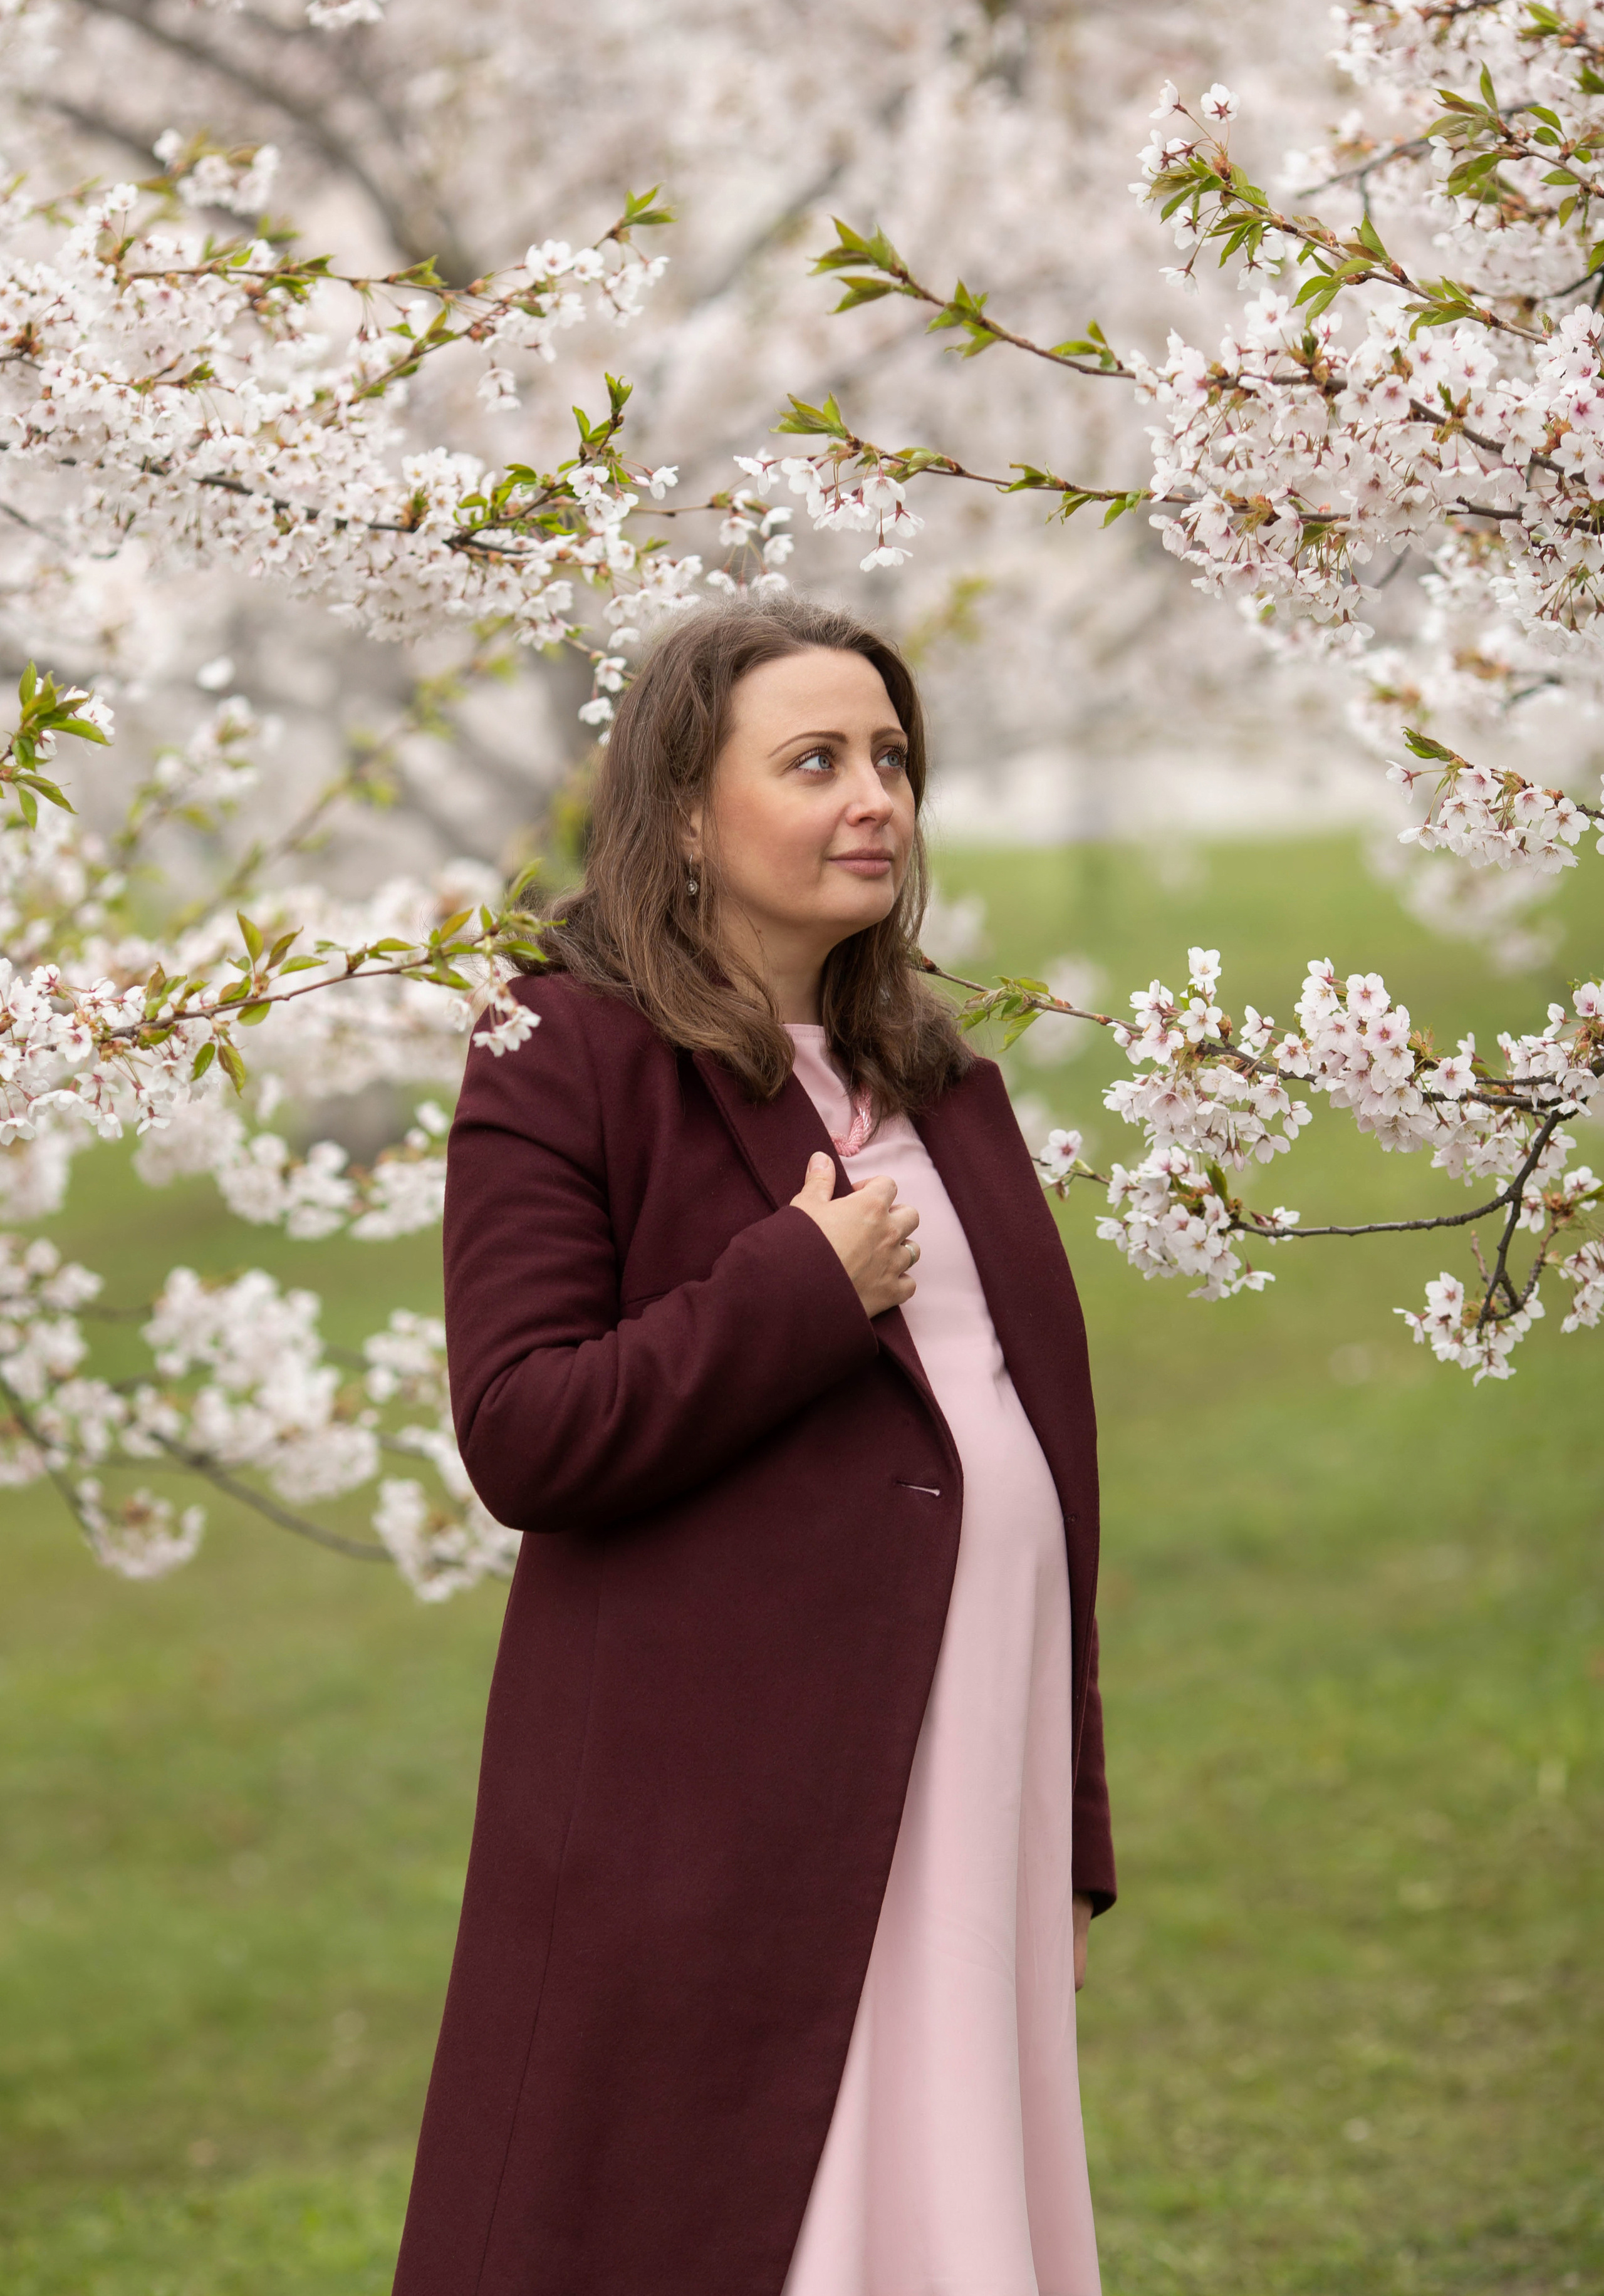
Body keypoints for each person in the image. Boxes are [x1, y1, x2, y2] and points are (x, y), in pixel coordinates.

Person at [392, 594, 1115, 2296]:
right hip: (722, 1793)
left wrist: (1070, 1820)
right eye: (816, 762)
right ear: (690, 816)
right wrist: (798, 1283)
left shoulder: (937, 1078)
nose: (876, 797)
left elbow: (1039, 1461)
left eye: (890, 758)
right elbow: (525, 1427)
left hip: (966, 1754)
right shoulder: (563, 1051)